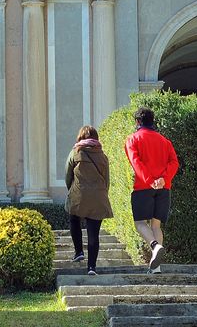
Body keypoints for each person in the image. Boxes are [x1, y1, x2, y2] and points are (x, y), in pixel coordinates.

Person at [125, 106, 178, 272]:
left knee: (140, 223)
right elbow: (174, 162)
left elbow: (136, 163)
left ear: (137, 122)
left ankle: (155, 246)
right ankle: (156, 267)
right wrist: (163, 179)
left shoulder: (132, 139)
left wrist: (150, 180)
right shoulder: (165, 141)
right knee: (156, 225)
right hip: (164, 188)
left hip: (143, 187)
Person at [65, 125, 114, 275]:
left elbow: (68, 175)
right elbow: (106, 180)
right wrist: (101, 193)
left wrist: (72, 190)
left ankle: (79, 251)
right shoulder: (103, 156)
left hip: (80, 194)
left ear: (80, 137)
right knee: (94, 233)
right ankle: (91, 267)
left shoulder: (75, 152)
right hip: (98, 197)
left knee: (74, 219)